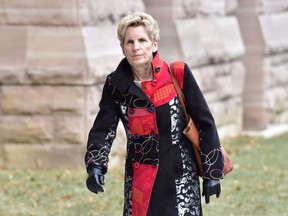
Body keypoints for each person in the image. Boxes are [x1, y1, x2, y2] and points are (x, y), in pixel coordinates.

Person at [84, 12, 224, 216]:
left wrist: (212, 172)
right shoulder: (116, 85)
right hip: (140, 181)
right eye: (129, 42)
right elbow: (103, 128)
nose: (136, 47)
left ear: (154, 44)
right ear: (123, 48)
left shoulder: (177, 74)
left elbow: (205, 122)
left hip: (180, 179)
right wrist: (96, 165)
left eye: (142, 40)